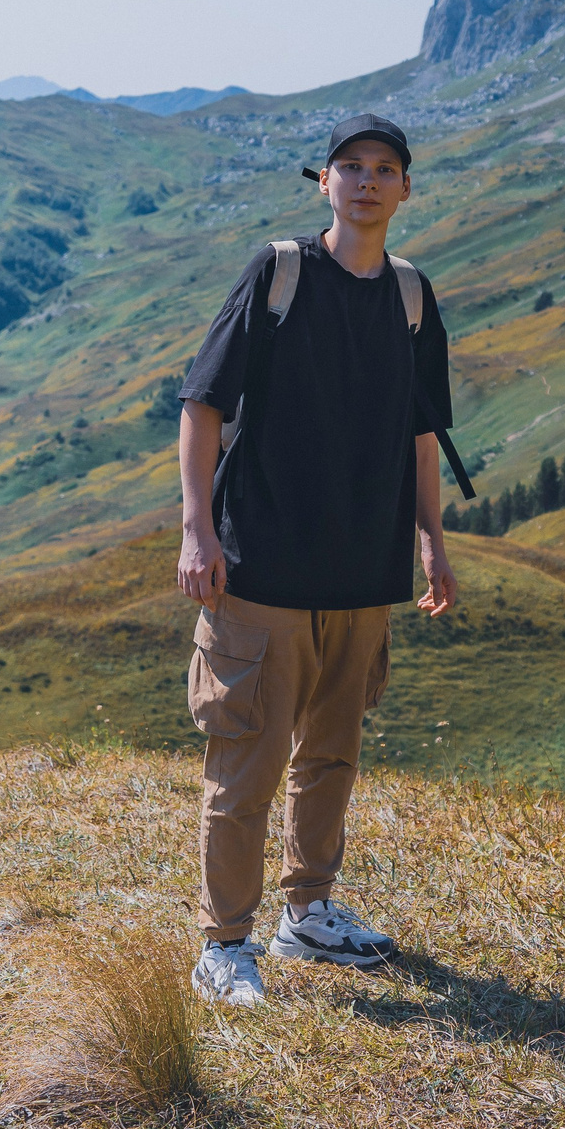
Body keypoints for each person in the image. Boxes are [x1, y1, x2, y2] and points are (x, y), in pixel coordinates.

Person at [174, 113, 458, 1006]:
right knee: (248, 760)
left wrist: (432, 542)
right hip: (261, 568)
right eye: (350, 167)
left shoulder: (411, 294)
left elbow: (422, 433)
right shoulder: (280, 272)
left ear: (405, 189)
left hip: (360, 577)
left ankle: (311, 912)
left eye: (384, 169)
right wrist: (196, 528)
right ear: (324, 183)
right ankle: (224, 943)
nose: (367, 181)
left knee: (332, 754)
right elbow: (203, 402)